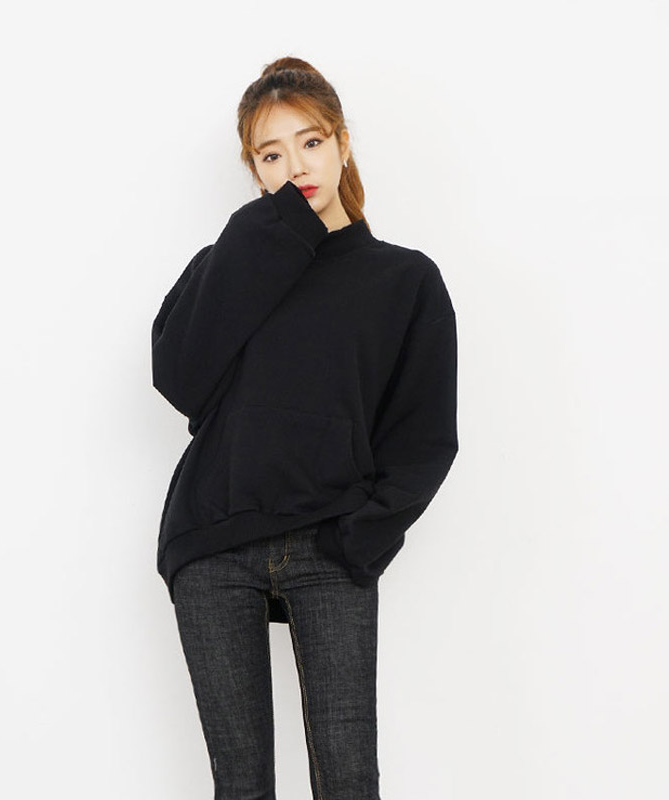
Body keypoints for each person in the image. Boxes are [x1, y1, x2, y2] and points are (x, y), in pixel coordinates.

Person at [150, 55, 458, 800]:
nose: (295, 167)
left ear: (343, 145)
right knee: (241, 786)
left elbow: (424, 436)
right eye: (271, 154)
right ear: (254, 171)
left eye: (311, 142)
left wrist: (360, 537)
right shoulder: (231, 262)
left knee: (348, 781)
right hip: (214, 544)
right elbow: (179, 378)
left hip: (329, 548)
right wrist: (261, 234)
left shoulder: (404, 280)